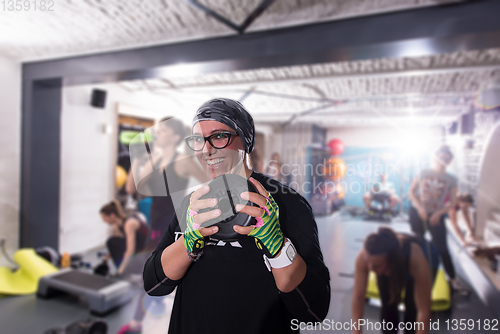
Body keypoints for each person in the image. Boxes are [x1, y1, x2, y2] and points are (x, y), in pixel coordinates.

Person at [143, 98, 331, 334]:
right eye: (199, 140)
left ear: (246, 140)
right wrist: (187, 243)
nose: (207, 150)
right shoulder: (194, 203)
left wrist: (280, 250)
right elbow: (153, 284)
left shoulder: (288, 204)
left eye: (220, 136)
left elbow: (314, 311)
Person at [119, 117, 207, 334]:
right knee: (152, 274)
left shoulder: (183, 162)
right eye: (159, 130)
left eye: (164, 130)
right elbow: (132, 189)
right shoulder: (153, 160)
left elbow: (211, 182)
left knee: (171, 277)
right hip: (156, 229)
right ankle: (144, 317)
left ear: (175, 137)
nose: (158, 133)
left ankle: (138, 324)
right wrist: (138, 161)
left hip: (176, 228)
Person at [352, 227, 437, 334]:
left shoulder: (415, 257)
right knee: (388, 304)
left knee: (412, 310)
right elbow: (359, 298)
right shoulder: (364, 257)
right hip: (389, 263)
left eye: (376, 266)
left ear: (390, 263)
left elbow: (424, 310)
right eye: (368, 263)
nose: (370, 268)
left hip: (426, 256)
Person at [408, 145, 467, 294]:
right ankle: (413, 274)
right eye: (442, 156)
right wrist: (419, 207)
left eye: (447, 158)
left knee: (442, 248)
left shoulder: (451, 179)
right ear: (435, 156)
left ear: (450, 161)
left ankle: (453, 280)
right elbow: (411, 192)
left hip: (436, 216)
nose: (444, 160)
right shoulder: (423, 172)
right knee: (417, 243)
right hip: (418, 214)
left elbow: (453, 202)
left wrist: (439, 213)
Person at [99, 200, 149, 276]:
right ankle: (123, 269)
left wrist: (120, 272)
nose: (104, 221)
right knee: (112, 242)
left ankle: (124, 271)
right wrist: (105, 260)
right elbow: (120, 244)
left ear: (112, 215)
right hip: (138, 249)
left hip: (145, 254)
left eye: (105, 218)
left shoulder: (129, 224)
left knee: (111, 242)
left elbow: (130, 251)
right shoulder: (118, 225)